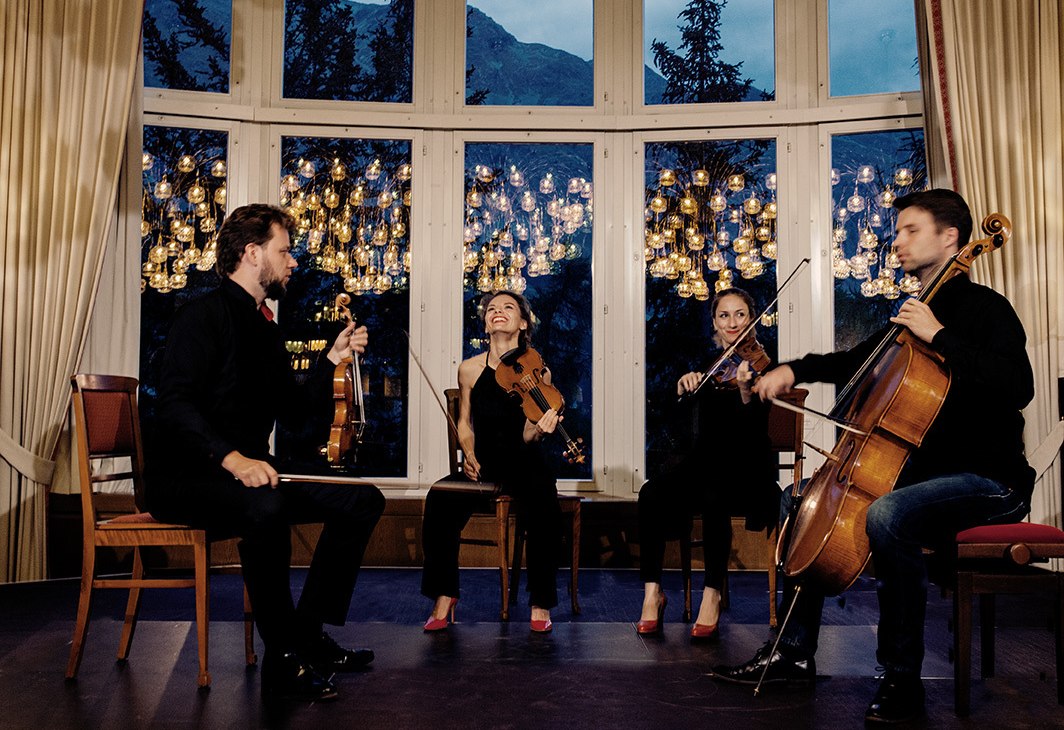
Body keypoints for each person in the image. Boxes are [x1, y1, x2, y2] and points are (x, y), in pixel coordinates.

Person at [710, 189, 1034, 725]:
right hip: (923, 476)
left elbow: (1016, 385)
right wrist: (791, 368)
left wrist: (941, 337)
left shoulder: (984, 311)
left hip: (988, 479)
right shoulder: (909, 315)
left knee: (888, 515)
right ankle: (792, 652)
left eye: (911, 229)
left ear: (950, 237)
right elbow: (856, 364)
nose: (898, 240)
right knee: (802, 498)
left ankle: (900, 678)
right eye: (898, 230)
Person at [145, 204, 387, 702]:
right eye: (284, 250)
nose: (293, 261)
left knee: (363, 499)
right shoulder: (201, 315)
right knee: (267, 505)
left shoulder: (266, 326)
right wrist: (233, 459)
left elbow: (295, 409)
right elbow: (174, 407)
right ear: (253, 253)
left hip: (249, 474)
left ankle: (307, 634)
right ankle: (283, 657)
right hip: (189, 478)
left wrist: (332, 359)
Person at [636, 288, 779, 641]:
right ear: (714, 322)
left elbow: (754, 431)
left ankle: (712, 594)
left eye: (740, 314)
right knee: (651, 492)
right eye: (724, 315)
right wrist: (684, 389)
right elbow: (680, 428)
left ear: (752, 318)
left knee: (715, 493)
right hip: (704, 464)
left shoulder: (764, 366)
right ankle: (652, 593)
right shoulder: (707, 366)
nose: (732, 322)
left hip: (748, 469)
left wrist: (747, 392)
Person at [420, 291, 563, 633]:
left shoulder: (537, 369)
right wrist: (468, 454)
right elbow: (465, 423)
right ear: (485, 323)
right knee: (439, 498)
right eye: (492, 309)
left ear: (523, 323)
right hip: (484, 463)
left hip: (525, 461)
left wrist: (537, 429)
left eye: (508, 308)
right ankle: (445, 594)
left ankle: (540, 601)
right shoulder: (468, 369)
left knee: (544, 500)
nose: (497, 312)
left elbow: (531, 432)